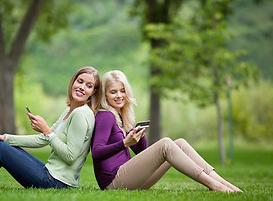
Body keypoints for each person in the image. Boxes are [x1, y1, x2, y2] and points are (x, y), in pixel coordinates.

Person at [91, 70, 242, 192]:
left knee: (180, 143)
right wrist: (124, 143)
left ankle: (223, 183)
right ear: (105, 94)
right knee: (165, 144)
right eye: (113, 92)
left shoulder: (120, 117)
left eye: (122, 91)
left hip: (130, 179)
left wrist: (140, 137)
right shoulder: (105, 116)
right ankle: (214, 185)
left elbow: (142, 153)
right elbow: (97, 153)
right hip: (113, 183)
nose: (119, 95)